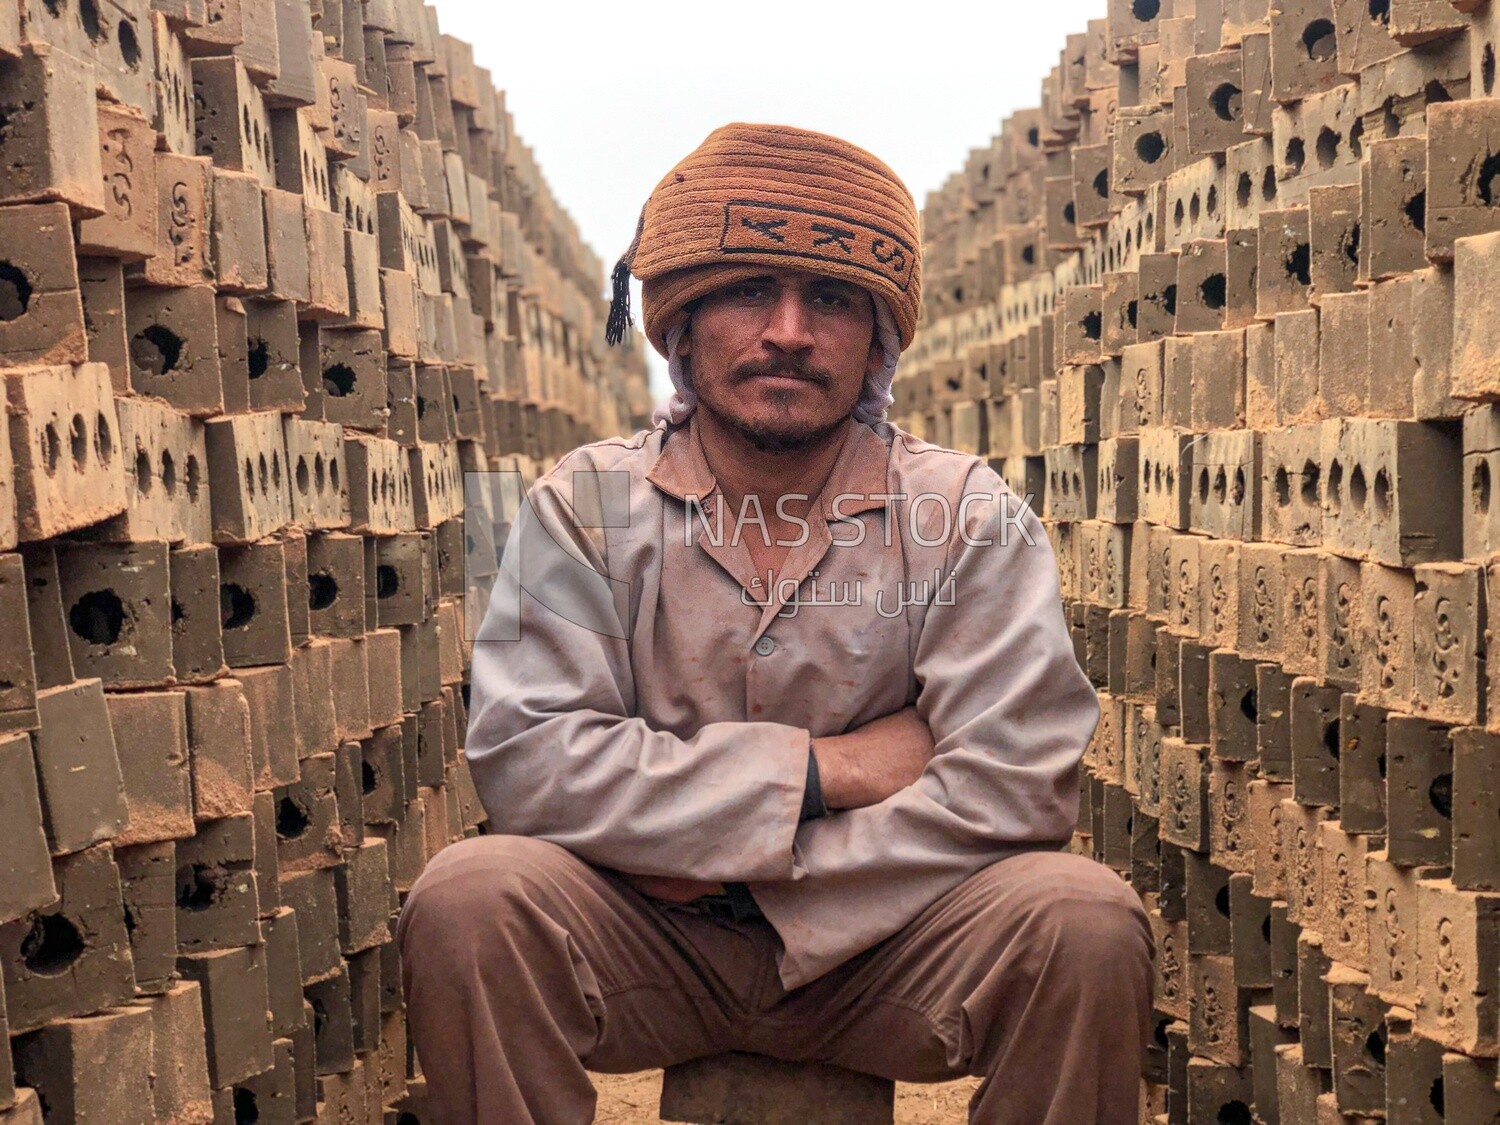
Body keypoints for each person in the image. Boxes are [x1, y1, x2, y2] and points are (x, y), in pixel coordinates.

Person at [398, 122, 1153, 1125]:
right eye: (751, 291)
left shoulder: (966, 508)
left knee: (1088, 922)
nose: (790, 332)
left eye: (832, 300)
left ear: (878, 337)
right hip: (646, 944)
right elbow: (525, 757)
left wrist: (754, 868)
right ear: (681, 324)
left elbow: (1021, 781)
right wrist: (825, 771)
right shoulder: (573, 500)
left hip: (885, 946)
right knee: (468, 897)